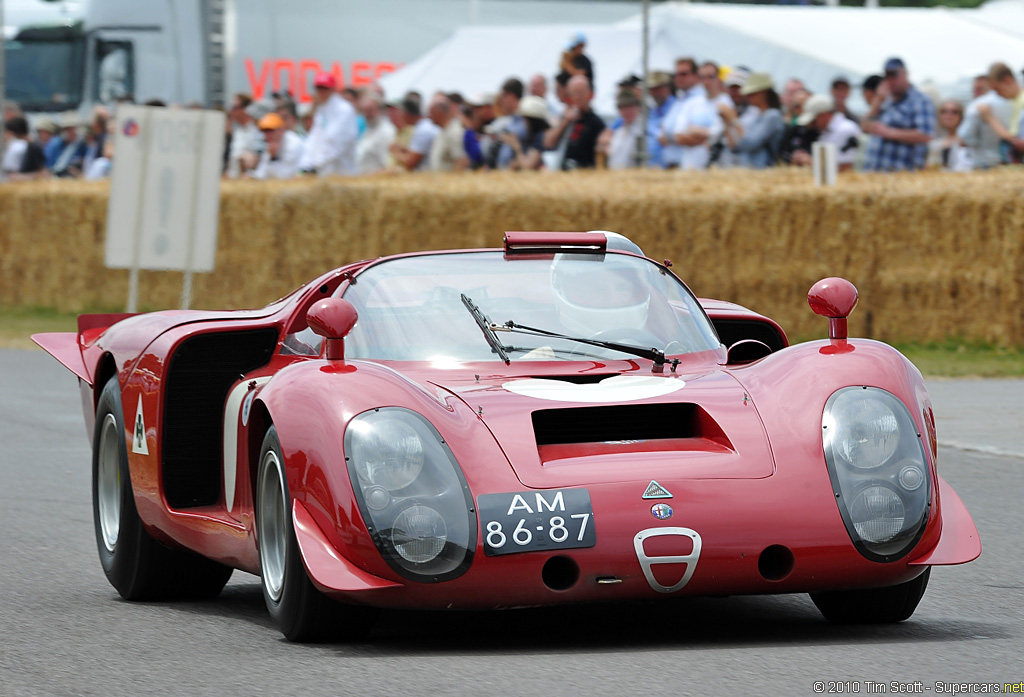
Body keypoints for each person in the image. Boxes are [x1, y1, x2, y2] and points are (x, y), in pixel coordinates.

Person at [861, 58, 935, 171]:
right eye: (887, 76)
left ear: (906, 74)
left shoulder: (921, 101)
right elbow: (864, 127)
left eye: (894, 75)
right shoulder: (885, 100)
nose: (890, 80)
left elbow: (925, 135)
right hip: (873, 174)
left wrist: (888, 132)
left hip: (900, 177)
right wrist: (877, 101)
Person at [298, 72, 360, 176]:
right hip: (323, 172)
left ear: (333, 89)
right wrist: (306, 164)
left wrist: (315, 165)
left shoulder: (344, 110)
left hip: (341, 173)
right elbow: (314, 138)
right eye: (319, 88)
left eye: (325, 88)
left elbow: (337, 142)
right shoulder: (322, 110)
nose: (321, 92)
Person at [659, 57, 715, 170]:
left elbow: (700, 136)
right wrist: (675, 137)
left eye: (683, 74)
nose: (679, 78)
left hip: (689, 167)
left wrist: (671, 138)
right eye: (677, 74)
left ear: (696, 76)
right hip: (675, 166)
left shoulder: (700, 100)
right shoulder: (680, 100)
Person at [543, 74, 604, 170]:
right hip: (563, 175)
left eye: (581, 92)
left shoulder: (596, 123)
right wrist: (565, 122)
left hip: (585, 175)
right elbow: (547, 143)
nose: (578, 97)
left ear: (590, 94)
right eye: (575, 93)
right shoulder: (565, 118)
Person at [788, 94, 862, 172]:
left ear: (824, 115)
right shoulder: (826, 131)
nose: (811, 124)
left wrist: (811, 162)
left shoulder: (846, 129)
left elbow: (847, 168)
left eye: (813, 120)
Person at [726, 72, 784, 169]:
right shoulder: (760, 115)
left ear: (763, 93)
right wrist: (727, 123)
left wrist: (733, 120)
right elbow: (736, 146)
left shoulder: (772, 116)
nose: (748, 97)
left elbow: (749, 143)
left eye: (752, 94)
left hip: (761, 172)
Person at [957, 74, 1010, 170]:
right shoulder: (1009, 101)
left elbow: (964, 139)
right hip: (1007, 160)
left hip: (983, 163)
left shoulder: (976, 105)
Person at [976, 61, 1024, 163]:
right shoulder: (1015, 102)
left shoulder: (1021, 103)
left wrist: (990, 118)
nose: (998, 95)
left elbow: (1016, 140)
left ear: (1008, 80)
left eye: (998, 89)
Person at [599, 89, 649, 170]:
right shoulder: (618, 131)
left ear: (638, 107)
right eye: (624, 108)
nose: (628, 111)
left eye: (631, 107)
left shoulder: (645, 127)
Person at [388, 97, 439, 171]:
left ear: (407, 114)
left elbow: (410, 163)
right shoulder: (424, 126)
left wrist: (395, 151)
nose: (400, 116)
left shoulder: (422, 131)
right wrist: (404, 150)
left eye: (401, 113)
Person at [499, 95, 549, 171]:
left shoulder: (540, 137)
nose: (523, 122)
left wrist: (516, 147)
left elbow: (528, 166)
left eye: (524, 118)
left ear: (531, 120)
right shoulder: (532, 136)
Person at [250, 112, 305, 179]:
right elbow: (261, 173)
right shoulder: (271, 145)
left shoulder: (293, 144)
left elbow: (286, 175)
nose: (267, 134)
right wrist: (251, 176)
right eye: (264, 131)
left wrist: (274, 158)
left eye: (270, 130)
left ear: (282, 129)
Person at [426, 93, 468, 172]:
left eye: (431, 113)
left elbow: (462, 160)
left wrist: (454, 182)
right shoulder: (444, 130)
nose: (429, 116)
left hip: (450, 182)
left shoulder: (453, 132)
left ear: (439, 113)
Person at [356, 91, 395, 175]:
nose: (367, 114)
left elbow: (387, 164)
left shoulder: (386, 131)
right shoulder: (369, 128)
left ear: (380, 110)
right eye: (365, 111)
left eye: (370, 110)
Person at [226, 93, 262, 178]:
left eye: (234, 108)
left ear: (246, 109)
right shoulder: (236, 130)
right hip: (233, 179)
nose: (231, 112)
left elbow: (257, 159)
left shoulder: (257, 130)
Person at [926, 100, 968, 171]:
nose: (948, 115)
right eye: (944, 111)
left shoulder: (968, 141)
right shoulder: (934, 143)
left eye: (954, 112)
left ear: (961, 116)